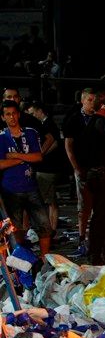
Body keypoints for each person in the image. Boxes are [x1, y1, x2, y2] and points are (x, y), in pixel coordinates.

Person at [72, 91, 105, 264]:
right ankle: (99, 252)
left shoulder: (97, 122)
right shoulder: (99, 122)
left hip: (103, 175)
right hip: (102, 176)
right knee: (103, 215)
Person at [0, 100, 51, 256]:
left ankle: (44, 259)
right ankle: (22, 259)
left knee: (44, 225)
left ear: (19, 114)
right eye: (8, 114)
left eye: (14, 113)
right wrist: (24, 159)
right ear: (3, 117)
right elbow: (1, 164)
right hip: (10, 189)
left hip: (30, 186)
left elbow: (38, 157)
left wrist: (15, 156)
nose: (12, 117)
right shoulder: (1, 137)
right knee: (15, 228)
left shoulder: (30, 132)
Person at [25, 101, 67, 240]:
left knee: (47, 201)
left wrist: (40, 154)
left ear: (39, 111)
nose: (31, 116)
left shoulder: (48, 125)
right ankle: (51, 230)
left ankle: (49, 231)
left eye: (32, 113)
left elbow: (54, 142)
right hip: (48, 168)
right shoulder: (46, 125)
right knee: (50, 200)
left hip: (48, 169)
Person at [62, 88, 97, 256]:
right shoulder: (74, 120)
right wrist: (76, 167)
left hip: (97, 168)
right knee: (84, 206)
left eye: (94, 100)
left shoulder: (98, 118)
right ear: (83, 101)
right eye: (89, 100)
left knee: (98, 204)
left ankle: (96, 237)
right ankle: (82, 236)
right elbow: (68, 146)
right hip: (82, 167)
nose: (92, 103)